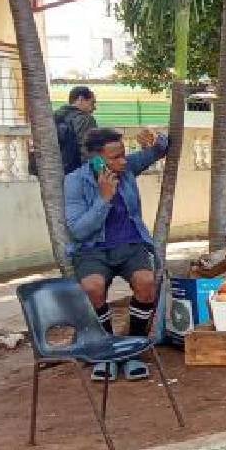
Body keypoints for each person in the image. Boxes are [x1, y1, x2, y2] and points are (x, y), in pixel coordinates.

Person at [64, 127, 169, 381]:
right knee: (93, 286)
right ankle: (106, 348)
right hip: (92, 249)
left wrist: (155, 138)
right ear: (96, 158)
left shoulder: (127, 168)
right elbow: (78, 230)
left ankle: (133, 347)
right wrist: (104, 199)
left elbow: (161, 148)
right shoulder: (75, 182)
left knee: (146, 283)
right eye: (115, 157)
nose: (123, 161)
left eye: (123, 154)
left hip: (131, 244)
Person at [54, 86, 99, 174]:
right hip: (76, 172)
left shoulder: (54, 117)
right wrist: (99, 170)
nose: (94, 108)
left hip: (55, 171)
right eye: (92, 103)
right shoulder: (85, 119)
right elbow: (90, 149)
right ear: (81, 99)